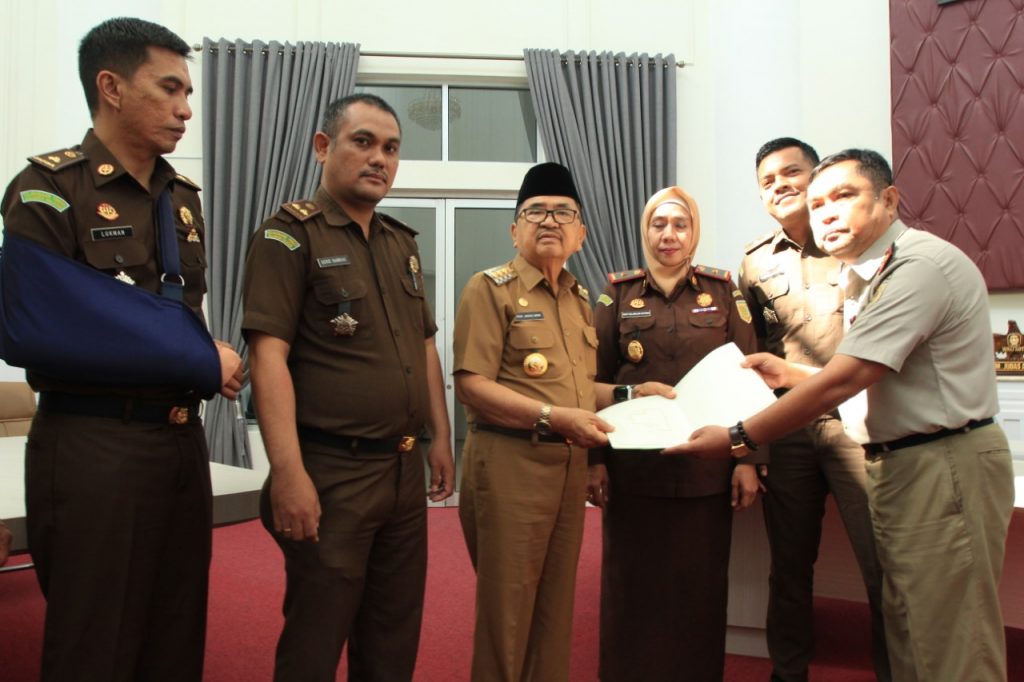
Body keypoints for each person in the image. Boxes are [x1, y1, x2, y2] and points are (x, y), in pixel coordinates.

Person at [668, 149, 1015, 682]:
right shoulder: (860, 273)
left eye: (843, 196)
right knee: (911, 625)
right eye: (818, 204)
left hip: (938, 462)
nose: (825, 212)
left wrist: (738, 437)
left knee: (949, 639)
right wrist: (790, 374)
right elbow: (880, 374)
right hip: (896, 459)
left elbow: (848, 376)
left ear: (889, 199)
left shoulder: (916, 267)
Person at [0, 17, 243, 681]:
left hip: (180, 441)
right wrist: (197, 357)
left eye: (187, 92)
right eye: (169, 88)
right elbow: (38, 323)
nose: (186, 109)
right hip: (94, 445)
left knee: (175, 638)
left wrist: (198, 350)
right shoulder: (49, 188)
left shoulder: (182, 200)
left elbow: (170, 316)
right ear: (110, 86)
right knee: (95, 646)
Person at [242, 93, 455, 681]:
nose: (379, 158)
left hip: (401, 471)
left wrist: (440, 437)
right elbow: (267, 357)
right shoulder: (288, 238)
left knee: (392, 637)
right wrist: (287, 472)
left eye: (391, 148)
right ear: (323, 146)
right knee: (316, 639)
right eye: (363, 142)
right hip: (332, 472)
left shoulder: (400, 243)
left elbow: (424, 346)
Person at [453, 163, 671, 681]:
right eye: (535, 212)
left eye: (563, 213)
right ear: (515, 230)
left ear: (581, 235)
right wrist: (555, 418)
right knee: (507, 613)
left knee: (554, 609)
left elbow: (578, 390)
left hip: (567, 471)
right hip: (510, 465)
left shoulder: (578, 299)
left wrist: (630, 393)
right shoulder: (490, 289)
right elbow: (472, 386)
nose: (549, 220)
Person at [589, 185, 763, 681]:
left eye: (680, 224)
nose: (669, 234)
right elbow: (591, 381)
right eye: (658, 224)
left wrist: (748, 460)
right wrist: (593, 461)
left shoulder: (723, 291)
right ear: (644, 231)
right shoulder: (617, 295)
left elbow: (751, 378)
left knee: (699, 590)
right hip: (633, 470)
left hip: (706, 471)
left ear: (694, 232)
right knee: (630, 586)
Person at [738, 138, 889, 682]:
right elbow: (750, 356)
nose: (779, 185)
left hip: (860, 427)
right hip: (790, 432)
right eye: (767, 181)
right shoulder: (754, 262)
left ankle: (897, 671)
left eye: (791, 172)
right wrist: (751, 449)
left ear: (817, 176)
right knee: (789, 568)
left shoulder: (854, 244)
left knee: (883, 565)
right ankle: (788, 673)